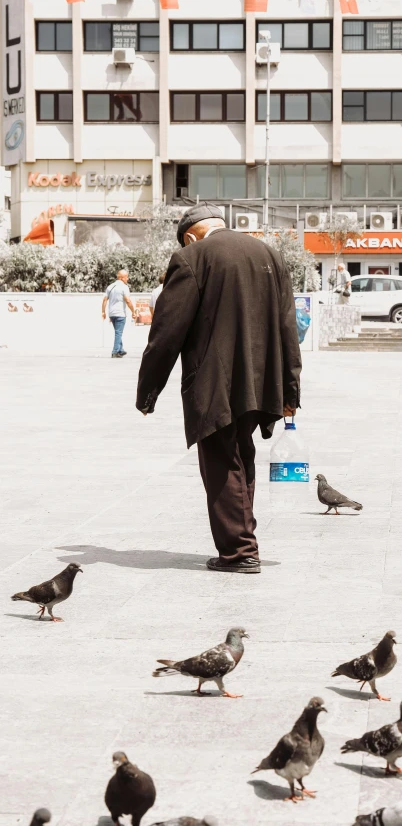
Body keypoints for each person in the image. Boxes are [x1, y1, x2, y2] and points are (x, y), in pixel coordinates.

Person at [136, 202, 301, 575]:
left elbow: (166, 334)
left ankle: (240, 552)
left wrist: (148, 392)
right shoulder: (270, 254)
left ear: (191, 234)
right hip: (262, 381)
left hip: (214, 381)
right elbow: (288, 326)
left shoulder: (192, 257)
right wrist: (290, 391)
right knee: (242, 457)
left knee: (221, 463)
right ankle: (242, 542)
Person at [102, 269, 136, 358]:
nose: (127, 279)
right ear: (121, 278)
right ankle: (115, 351)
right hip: (120, 314)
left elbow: (105, 300)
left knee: (118, 332)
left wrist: (103, 312)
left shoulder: (110, 286)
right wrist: (133, 311)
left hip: (112, 314)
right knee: (118, 333)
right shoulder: (124, 287)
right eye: (126, 277)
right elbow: (128, 301)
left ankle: (121, 350)